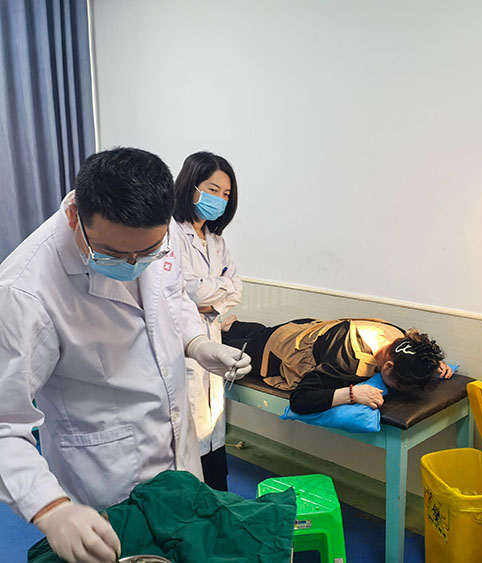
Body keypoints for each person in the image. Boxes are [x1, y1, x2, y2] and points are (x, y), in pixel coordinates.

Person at [0, 148, 251, 563]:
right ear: (74, 216)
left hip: (179, 456)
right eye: (114, 255)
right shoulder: (25, 291)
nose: (134, 264)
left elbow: (174, 299)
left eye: (147, 252)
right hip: (107, 476)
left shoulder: (160, 235)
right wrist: (51, 509)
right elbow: (4, 423)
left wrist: (197, 344)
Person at [172, 151, 243, 491]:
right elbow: (186, 291)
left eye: (226, 194)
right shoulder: (172, 234)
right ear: (191, 186)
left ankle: (216, 500)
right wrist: (214, 290)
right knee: (187, 447)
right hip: (184, 350)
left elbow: (236, 289)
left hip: (211, 341)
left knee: (213, 438)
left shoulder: (216, 241)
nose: (220, 199)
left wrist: (206, 296)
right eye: (213, 190)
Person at [222, 318, 453, 414]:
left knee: (261, 332)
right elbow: (300, 400)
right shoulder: (347, 361)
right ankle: (220, 331)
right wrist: (351, 394)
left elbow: (415, 350)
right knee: (230, 349)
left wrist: (430, 363)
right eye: (400, 385)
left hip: (304, 328)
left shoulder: (398, 337)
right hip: (275, 351)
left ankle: (232, 324)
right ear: (388, 367)